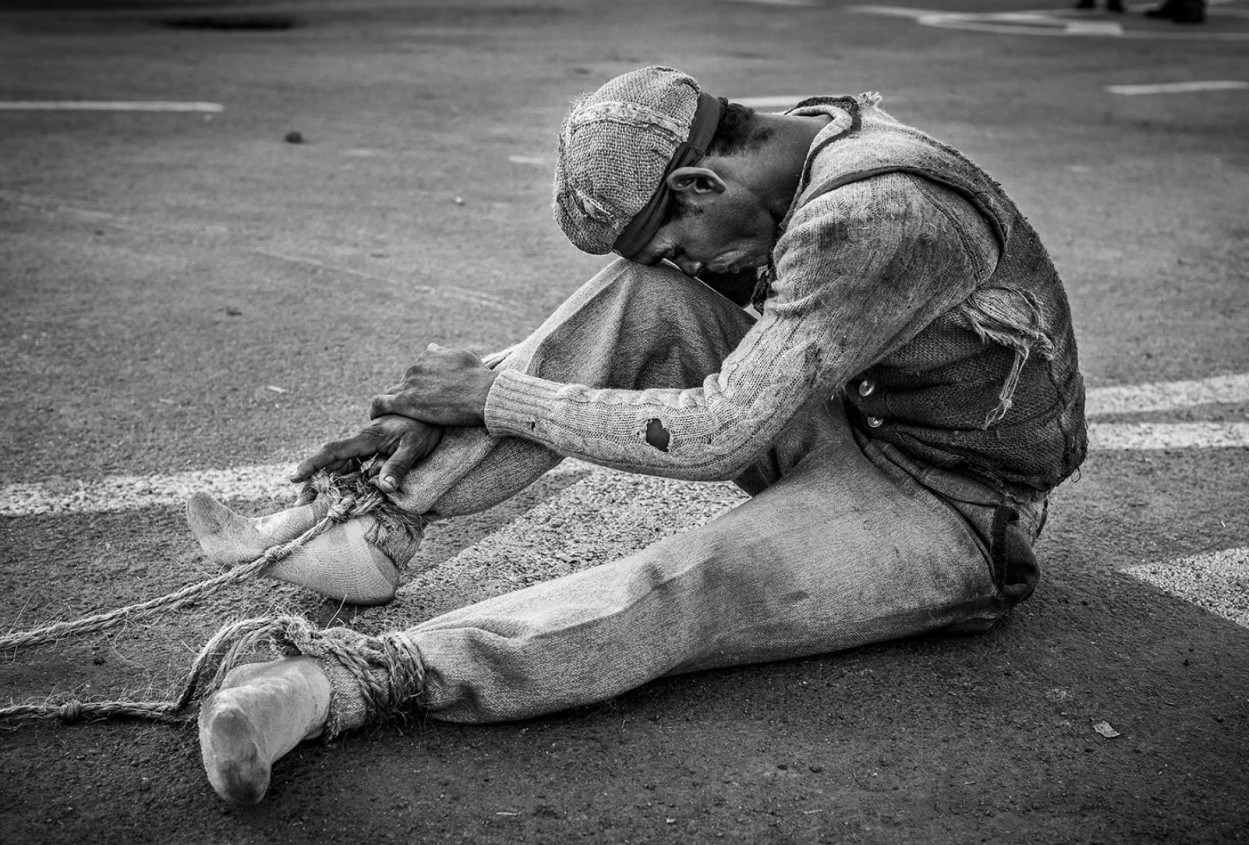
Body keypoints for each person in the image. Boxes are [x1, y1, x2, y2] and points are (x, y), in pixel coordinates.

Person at [190, 67, 1088, 805]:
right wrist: (437, 408)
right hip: (849, 415)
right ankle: (379, 525)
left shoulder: (878, 213)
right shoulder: (793, 141)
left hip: (949, 505)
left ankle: (338, 683)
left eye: (680, 244)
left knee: (688, 581)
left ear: (698, 182)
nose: (695, 270)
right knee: (641, 302)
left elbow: (718, 435)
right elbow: (656, 332)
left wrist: (496, 394)